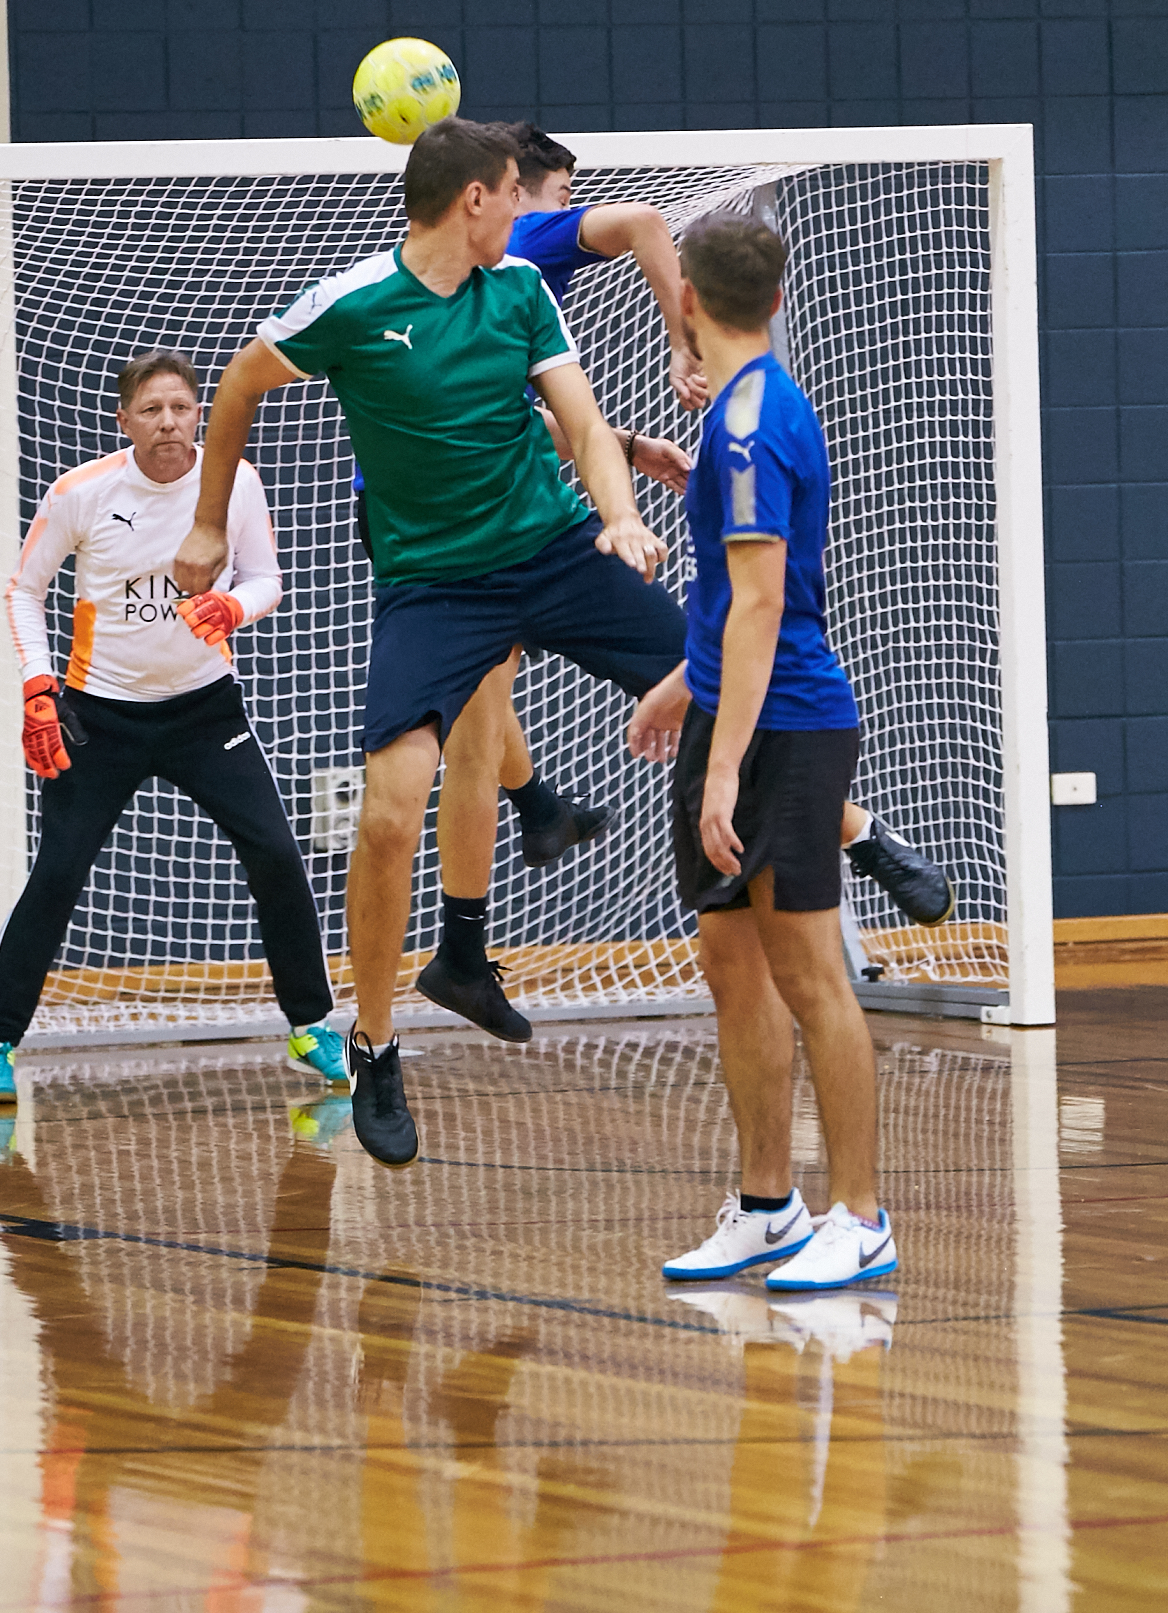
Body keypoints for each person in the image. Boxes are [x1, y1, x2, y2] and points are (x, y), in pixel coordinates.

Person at [169, 118, 686, 1168]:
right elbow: (235, 384)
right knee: (389, 813)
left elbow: (581, 424)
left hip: (555, 551)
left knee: (720, 678)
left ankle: (849, 844)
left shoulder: (523, 294)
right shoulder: (357, 304)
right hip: (434, 589)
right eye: (516, 197)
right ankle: (376, 1040)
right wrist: (210, 523)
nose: (530, 216)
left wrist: (620, 513)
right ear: (477, 200)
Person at [429, 123, 956, 998]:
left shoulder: (492, 279)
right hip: (462, 528)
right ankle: (509, 868)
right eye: (563, 195)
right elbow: (639, 222)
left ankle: (484, 907)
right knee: (476, 721)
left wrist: (626, 447)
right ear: (509, 192)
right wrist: (685, 340)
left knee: (509, 713)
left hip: (504, 518)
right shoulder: (522, 237)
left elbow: (507, 421)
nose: (570, 214)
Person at [628, 215, 896, 1295]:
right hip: (734, 711)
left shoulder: (747, 430)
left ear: (684, 297)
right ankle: (765, 1202)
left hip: (785, 726)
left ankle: (863, 1215)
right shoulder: (749, 409)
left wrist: (726, 759)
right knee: (732, 967)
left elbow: (763, 602)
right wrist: (678, 686)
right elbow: (729, 608)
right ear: (776, 303)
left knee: (809, 973)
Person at [0, 351, 344, 1105]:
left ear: (199, 412)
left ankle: (310, 1027)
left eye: (181, 406)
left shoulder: (232, 479)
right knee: (59, 872)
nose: (169, 421)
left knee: (275, 850)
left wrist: (234, 608)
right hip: (98, 715)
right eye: (152, 410)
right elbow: (24, 590)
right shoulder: (82, 492)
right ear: (125, 421)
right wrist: (38, 686)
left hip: (205, 711)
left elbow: (266, 578)